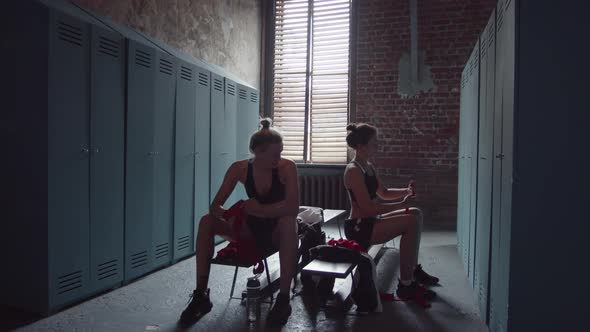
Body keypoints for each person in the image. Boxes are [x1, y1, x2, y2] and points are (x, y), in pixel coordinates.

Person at [179, 119, 299, 327]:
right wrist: (231, 215)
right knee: (207, 222)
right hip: (249, 229)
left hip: (276, 231)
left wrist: (260, 210)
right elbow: (215, 206)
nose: (279, 158)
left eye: (281, 152)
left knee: (289, 222)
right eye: (274, 154)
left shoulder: (287, 167)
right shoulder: (240, 169)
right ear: (257, 152)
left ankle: (283, 298)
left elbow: (292, 208)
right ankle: (201, 295)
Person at [343, 123, 439, 301]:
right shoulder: (353, 171)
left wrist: (405, 192)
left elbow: (384, 193)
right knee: (410, 221)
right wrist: (401, 205)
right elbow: (368, 208)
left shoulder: (368, 166)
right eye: (374, 142)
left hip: (371, 220)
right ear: (362, 146)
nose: (378, 146)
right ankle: (406, 285)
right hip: (359, 227)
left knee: (415, 213)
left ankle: (412, 270)